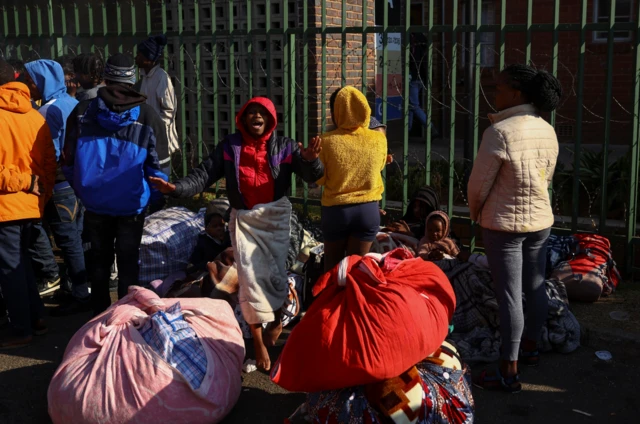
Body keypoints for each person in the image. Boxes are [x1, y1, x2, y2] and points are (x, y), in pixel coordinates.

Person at [150, 96, 324, 371]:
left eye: (262, 113)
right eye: (251, 112)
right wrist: (175, 189)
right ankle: (257, 340)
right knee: (249, 278)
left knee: (277, 279)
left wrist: (311, 160)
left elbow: (311, 175)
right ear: (243, 118)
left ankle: (277, 322)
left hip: (276, 219)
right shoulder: (230, 147)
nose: (257, 116)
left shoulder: (285, 146)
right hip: (243, 221)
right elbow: (203, 175)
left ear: (270, 120)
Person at [468, 64, 562, 393]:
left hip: (504, 225)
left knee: (510, 295)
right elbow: (545, 176)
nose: (495, 94)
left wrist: (477, 213)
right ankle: (531, 349)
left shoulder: (499, 132)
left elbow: (479, 186)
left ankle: (507, 370)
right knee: (534, 285)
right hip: (540, 221)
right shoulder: (546, 128)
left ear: (517, 94)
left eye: (499, 88)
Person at [62, 53, 169, 316]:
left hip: (95, 203)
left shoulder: (83, 111)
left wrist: (83, 190)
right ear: (132, 78)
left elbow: (67, 159)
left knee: (99, 261)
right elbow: (160, 168)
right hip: (132, 205)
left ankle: (98, 314)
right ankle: (125, 317)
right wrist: (155, 198)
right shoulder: (147, 115)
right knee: (128, 261)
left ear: (106, 77)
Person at [21, 60, 89, 306]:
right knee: (76, 238)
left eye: (31, 80)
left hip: (58, 184)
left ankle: (79, 293)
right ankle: (75, 287)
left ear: (43, 80)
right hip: (76, 181)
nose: (29, 85)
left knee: (66, 240)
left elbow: (46, 152)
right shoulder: (72, 102)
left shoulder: (46, 111)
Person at [0, 59, 57, 348]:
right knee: (21, 265)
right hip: (31, 205)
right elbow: (49, 165)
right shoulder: (36, 117)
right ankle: (36, 318)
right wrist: (40, 196)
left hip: (6, 208)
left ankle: (20, 328)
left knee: (11, 269)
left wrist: (24, 183)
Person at [318, 86, 387, 272]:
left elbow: (320, 179)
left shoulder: (326, 141)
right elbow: (379, 167)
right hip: (367, 210)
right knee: (356, 270)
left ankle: (330, 301)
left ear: (336, 111)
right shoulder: (379, 139)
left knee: (332, 269)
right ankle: (354, 301)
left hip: (336, 212)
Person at [136, 35, 179, 191]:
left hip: (160, 138)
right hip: (148, 135)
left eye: (140, 55)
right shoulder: (145, 77)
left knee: (160, 176)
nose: (136, 58)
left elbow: (169, 110)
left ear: (148, 58)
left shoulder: (161, 77)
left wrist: (155, 125)